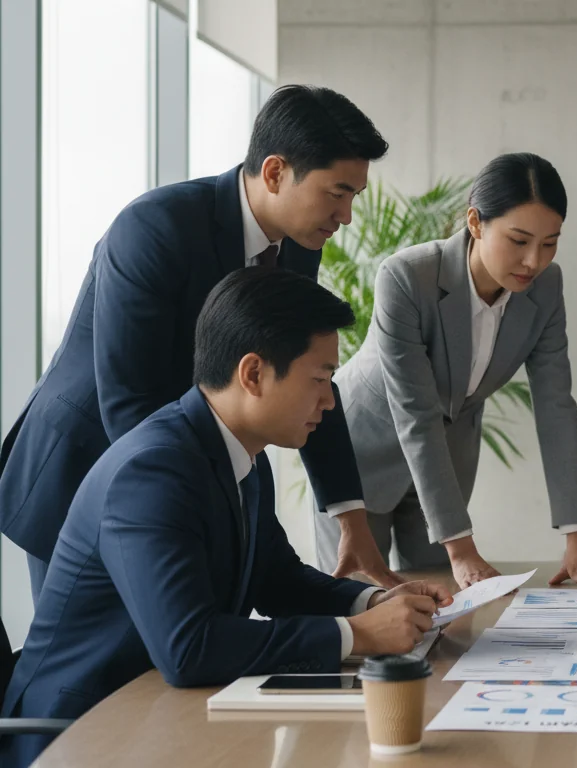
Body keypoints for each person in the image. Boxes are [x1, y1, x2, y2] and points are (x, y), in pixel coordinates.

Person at [0, 268, 452, 768]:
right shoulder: (152, 471)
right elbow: (188, 648)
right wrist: (360, 634)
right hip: (81, 733)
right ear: (253, 373)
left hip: (162, 712)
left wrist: (377, 600)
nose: (329, 401)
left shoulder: (235, 452)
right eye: (320, 380)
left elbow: (276, 580)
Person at [0, 84, 406, 597]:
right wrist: (210, 502)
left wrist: (350, 516)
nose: (346, 216)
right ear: (276, 172)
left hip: (177, 459)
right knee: (98, 666)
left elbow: (309, 370)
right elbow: (129, 399)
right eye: (336, 193)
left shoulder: (298, 246)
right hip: (85, 463)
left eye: (354, 196)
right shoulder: (156, 227)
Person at [314, 153, 577, 590]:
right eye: (518, 240)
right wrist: (462, 549)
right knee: (365, 603)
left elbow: (555, 405)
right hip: (361, 456)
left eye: (549, 243)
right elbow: (416, 413)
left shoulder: (546, 289)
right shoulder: (405, 278)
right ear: (475, 222)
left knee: (446, 608)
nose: (534, 261)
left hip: (444, 467)